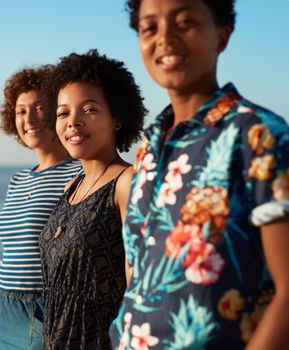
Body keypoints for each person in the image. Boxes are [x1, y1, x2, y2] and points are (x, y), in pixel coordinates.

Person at [110, 0, 289, 349]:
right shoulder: (147, 149)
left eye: (186, 21)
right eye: (150, 27)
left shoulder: (258, 135)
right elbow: (141, 275)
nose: (165, 37)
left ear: (221, 36)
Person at [38, 49, 146, 349]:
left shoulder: (127, 182)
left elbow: (138, 285)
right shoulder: (72, 186)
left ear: (117, 118)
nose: (73, 122)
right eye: (63, 113)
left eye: (89, 109)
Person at [0, 66, 82, 350]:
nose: (29, 118)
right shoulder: (18, 180)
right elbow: (9, 262)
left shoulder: (78, 173)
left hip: (47, 310)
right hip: (7, 309)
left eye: (38, 108)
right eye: (21, 111)